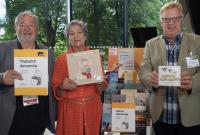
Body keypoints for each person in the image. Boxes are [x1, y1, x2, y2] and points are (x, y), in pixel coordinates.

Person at [139, 1, 200, 135]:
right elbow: (144, 70)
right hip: (161, 117)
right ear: (161, 22)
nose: (170, 23)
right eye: (166, 19)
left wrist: (193, 83)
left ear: (182, 20)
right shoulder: (150, 44)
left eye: (175, 19)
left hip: (191, 116)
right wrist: (151, 79)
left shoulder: (197, 42)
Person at [0, 11, 56, 135]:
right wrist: (2, 78)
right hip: (10, 119)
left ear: (37, 29)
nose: (26, 29)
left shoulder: (49, 53)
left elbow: (54, 82)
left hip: (39, 119)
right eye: (22, 24)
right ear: (16, 28)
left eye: (31, 24)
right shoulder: (2, 48)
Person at [52, 20, 108, 135]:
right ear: (68, 38)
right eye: (71, 34)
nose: (76, 36)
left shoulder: (94, 57)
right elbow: (56, 92)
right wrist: (63, 86)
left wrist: (99, 82)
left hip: (92, 108)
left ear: (85, 36)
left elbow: (102, 88)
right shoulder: (61, 60)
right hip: (70, 110)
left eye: (79, 32)